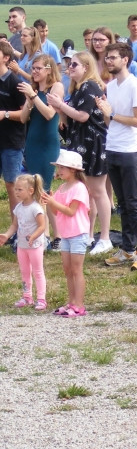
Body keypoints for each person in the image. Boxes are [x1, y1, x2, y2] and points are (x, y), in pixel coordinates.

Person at [48, 52, 112, 256]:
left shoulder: (90, 86)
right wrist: (61, 111)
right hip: (81, 143)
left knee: (98, 191)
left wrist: (61, 105)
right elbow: (71, 119)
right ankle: (89, 235)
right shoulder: (77, 88)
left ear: (86, 67)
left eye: (74, 64)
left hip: (93, 143)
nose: (70, 67)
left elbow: (83, 116)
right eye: (69, 64)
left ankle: (105, 237)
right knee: (87, 193)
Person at [96, 42, 137, 271]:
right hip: (113, 146)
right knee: (122, 202)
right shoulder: (112, 86)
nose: (109, 61)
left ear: (125, 59)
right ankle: (127, 248)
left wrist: (113, 113)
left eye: (113, 57)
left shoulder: (135, 86)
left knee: (133, 201)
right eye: (107, 58)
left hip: (129, 150)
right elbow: (110, 122)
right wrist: (105, 112)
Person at [40, 150, 90, 317]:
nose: (59, 171)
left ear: (73, 170)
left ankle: (79, 305)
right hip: (67, 234)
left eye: (63, 168)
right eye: (59, 167)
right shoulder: (62, 188)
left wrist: (53, 202)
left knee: (76, 270)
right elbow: (56, 213)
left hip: (78, 234)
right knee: (68, 270)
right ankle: (71, 302)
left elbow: (70, 211)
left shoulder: (79, 188)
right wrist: (49, 202)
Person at [1, 173, 46, 310]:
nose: (16, 192)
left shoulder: (36, 208)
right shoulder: (18, 208)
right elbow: (15, 225)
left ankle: (41, 298)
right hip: (22, 245)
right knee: (24, 271)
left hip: (35, 246)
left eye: (20, 189)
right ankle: (27, 297)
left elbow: (42, 226)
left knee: (38, 271)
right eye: (16, 189)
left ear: (30, 191)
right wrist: (6, 235)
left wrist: (33, 236)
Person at [19, 54, 63, 195]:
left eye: (39, 68)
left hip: (47, 144)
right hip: (32, 144)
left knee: (43, 188)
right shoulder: (34, 89)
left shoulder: (56, 87)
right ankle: (48, 217)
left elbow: (49, 114)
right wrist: (30, 102)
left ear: (49, 70)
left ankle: (43, 217)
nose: (34, 71)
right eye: (33, 68)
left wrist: (33, 96)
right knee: (36, 188)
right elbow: (23, 118)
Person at [0, 39, 27, 223]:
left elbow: (26, 114)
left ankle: (17, 229)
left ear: (6, 58)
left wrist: (5, 114)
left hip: (12, 143)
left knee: (13, 186)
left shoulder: (15, 82)